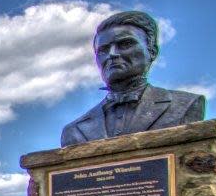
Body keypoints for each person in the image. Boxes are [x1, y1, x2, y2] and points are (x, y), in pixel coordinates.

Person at [61, 10, 205, 147]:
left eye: (125, 44)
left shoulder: (184, 104)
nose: (112, 54)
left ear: (152, 52)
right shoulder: (75, 131)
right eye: (103, 50)